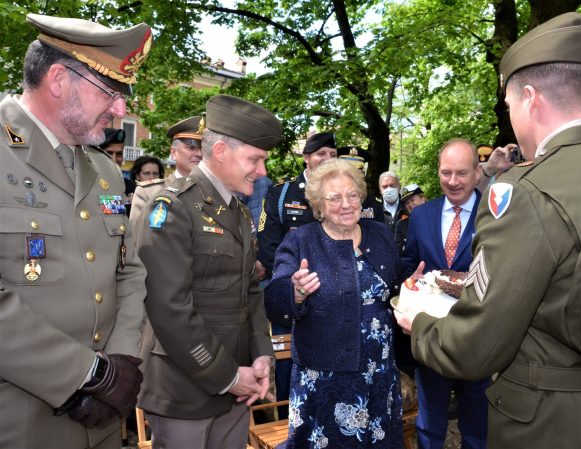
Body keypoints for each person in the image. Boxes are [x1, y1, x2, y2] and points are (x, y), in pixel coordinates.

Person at [395, 13, 581, 449]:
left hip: (552, 425)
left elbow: (476, 348)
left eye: (509, 107)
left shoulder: (525, 193)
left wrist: (420, 323)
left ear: (530, 99)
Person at [0, 13, 151, 449]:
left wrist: (120, 362)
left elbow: (129, 270)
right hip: (20, 422)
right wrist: (86, 374)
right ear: (59, 78)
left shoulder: (103, 169)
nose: (122, 110)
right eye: (111, 92)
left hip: (103, 417)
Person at [136, 94, 280, 449]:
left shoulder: (239, 212)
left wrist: (261, 354)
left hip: (237, 384)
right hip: (185, 386)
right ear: (220, 152)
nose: (262, 171)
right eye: (255, 159)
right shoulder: (172, 206)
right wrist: (227, 376)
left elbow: (251, 293)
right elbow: (169, 308)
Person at [265, 158, 404, 448]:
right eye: (335, 198)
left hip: (379, 372)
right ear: (318, 205)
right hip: (325, 379)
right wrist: (296, 292)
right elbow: (275, 298)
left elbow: (394, 285)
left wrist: (413, 287)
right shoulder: (301, 241)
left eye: (352, 195)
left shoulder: (379, 234)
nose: (346, 204)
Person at [400, 139, 490, 449]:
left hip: (476, 334)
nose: (453, 181)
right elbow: (410, 264)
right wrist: (409, 280)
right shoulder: (422, 215)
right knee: (430, 421)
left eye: (462, 173)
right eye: (445, 172)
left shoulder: (495, 214)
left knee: (477, 421)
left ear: (478, 173)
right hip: (431, 335)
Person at [256, 131, 338, 418]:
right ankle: (290, 425)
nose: (327, 160)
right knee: (288, 365)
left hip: (331, 300)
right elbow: (266, 244)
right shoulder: (282, 193)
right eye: (320, 154)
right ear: (306, 157)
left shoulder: (340, 195)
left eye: (332, 154)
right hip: (289, 299)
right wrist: (291, 284)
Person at [128, 116, 203, 224]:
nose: (199, 154)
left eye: (202, 149)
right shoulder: (148, 192)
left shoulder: (214, 190)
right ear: (173, 153)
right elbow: (136, 237)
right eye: (191, 148)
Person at [337, 145, 386, 222]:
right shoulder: (326, 201)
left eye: (358, 169)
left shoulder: (374, 205)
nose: (353, 174)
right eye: (348, 169)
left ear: (363, 173)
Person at [100, 128, 136, 211]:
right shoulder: (87, 183)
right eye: (109, 153)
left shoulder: (130, 186)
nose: (114, 159)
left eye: (119, 154)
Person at [393, 183, 426, 255]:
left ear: (423, 199)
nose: (410, 204)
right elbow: (398, 252)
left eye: (412, 200)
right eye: (407, 203)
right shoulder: (401, 225)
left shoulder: (436, 218)